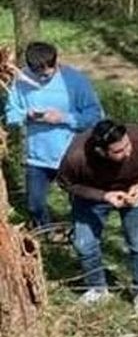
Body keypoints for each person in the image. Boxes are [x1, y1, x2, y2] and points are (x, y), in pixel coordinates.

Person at [57, 119, 138, 313]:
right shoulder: (77, 156)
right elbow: (67, 183)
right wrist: (103, 196)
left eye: (127, 145)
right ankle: (98, 289)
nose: (127, 152)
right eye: (118, 151)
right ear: (101, 151)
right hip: (93, 194)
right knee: (84, 243)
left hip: (135, 192)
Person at [3, 42, 103, 232]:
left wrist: (64, 118)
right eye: (40, 71)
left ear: (56, 60)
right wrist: (27, 116)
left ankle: (82, 235)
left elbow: (95, 116)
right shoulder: (21, 82)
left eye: (51, 68)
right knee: (35, 205)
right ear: (30, 67)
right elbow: (11, 115)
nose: (47, 74)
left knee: (80, 203)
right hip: (37, 157)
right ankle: (48, 233)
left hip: (72, 154)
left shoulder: (75, 80)